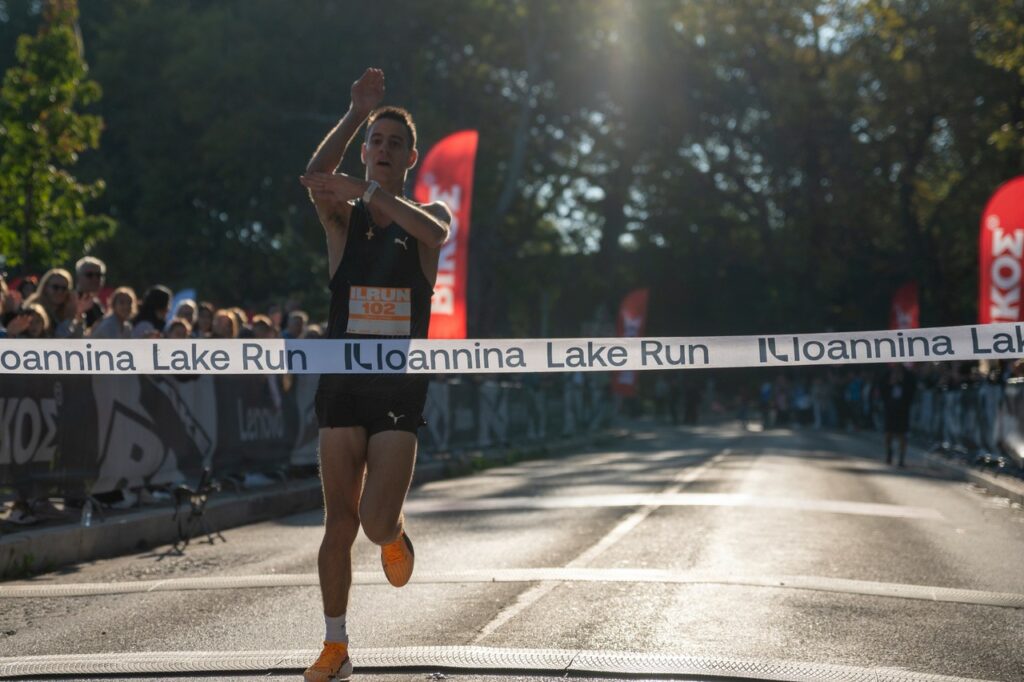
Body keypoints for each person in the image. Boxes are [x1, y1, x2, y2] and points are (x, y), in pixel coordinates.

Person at [298, 67, 451, 682]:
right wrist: (354, 112)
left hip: (397, 388)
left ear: (410, 158)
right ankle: (335, 644)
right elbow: (315, 177)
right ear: (365, 149)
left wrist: (367, 190)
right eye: (375, 141)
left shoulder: (424, 214)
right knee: (338, 520)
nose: (382, 150)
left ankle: (393, 534)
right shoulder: (343, 221)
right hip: (341, 382)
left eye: (393, 143)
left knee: (373, 521)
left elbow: (435, 230)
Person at [881, 365, 917, 467]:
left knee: (902, 434)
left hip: (903, 409)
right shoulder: (887, 374)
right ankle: (889, 453)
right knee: (888, 433)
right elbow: (881, 388)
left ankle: (901, 457)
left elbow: (912, 391)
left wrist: (901, 382)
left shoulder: (908, 375)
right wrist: (890, 383)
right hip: (890, 408)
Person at [74, 256, 107, 329]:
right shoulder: (70, 302)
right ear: (78, 277)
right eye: (89, 275)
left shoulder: (96, 304)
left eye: (99, 275)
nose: (95, 279)